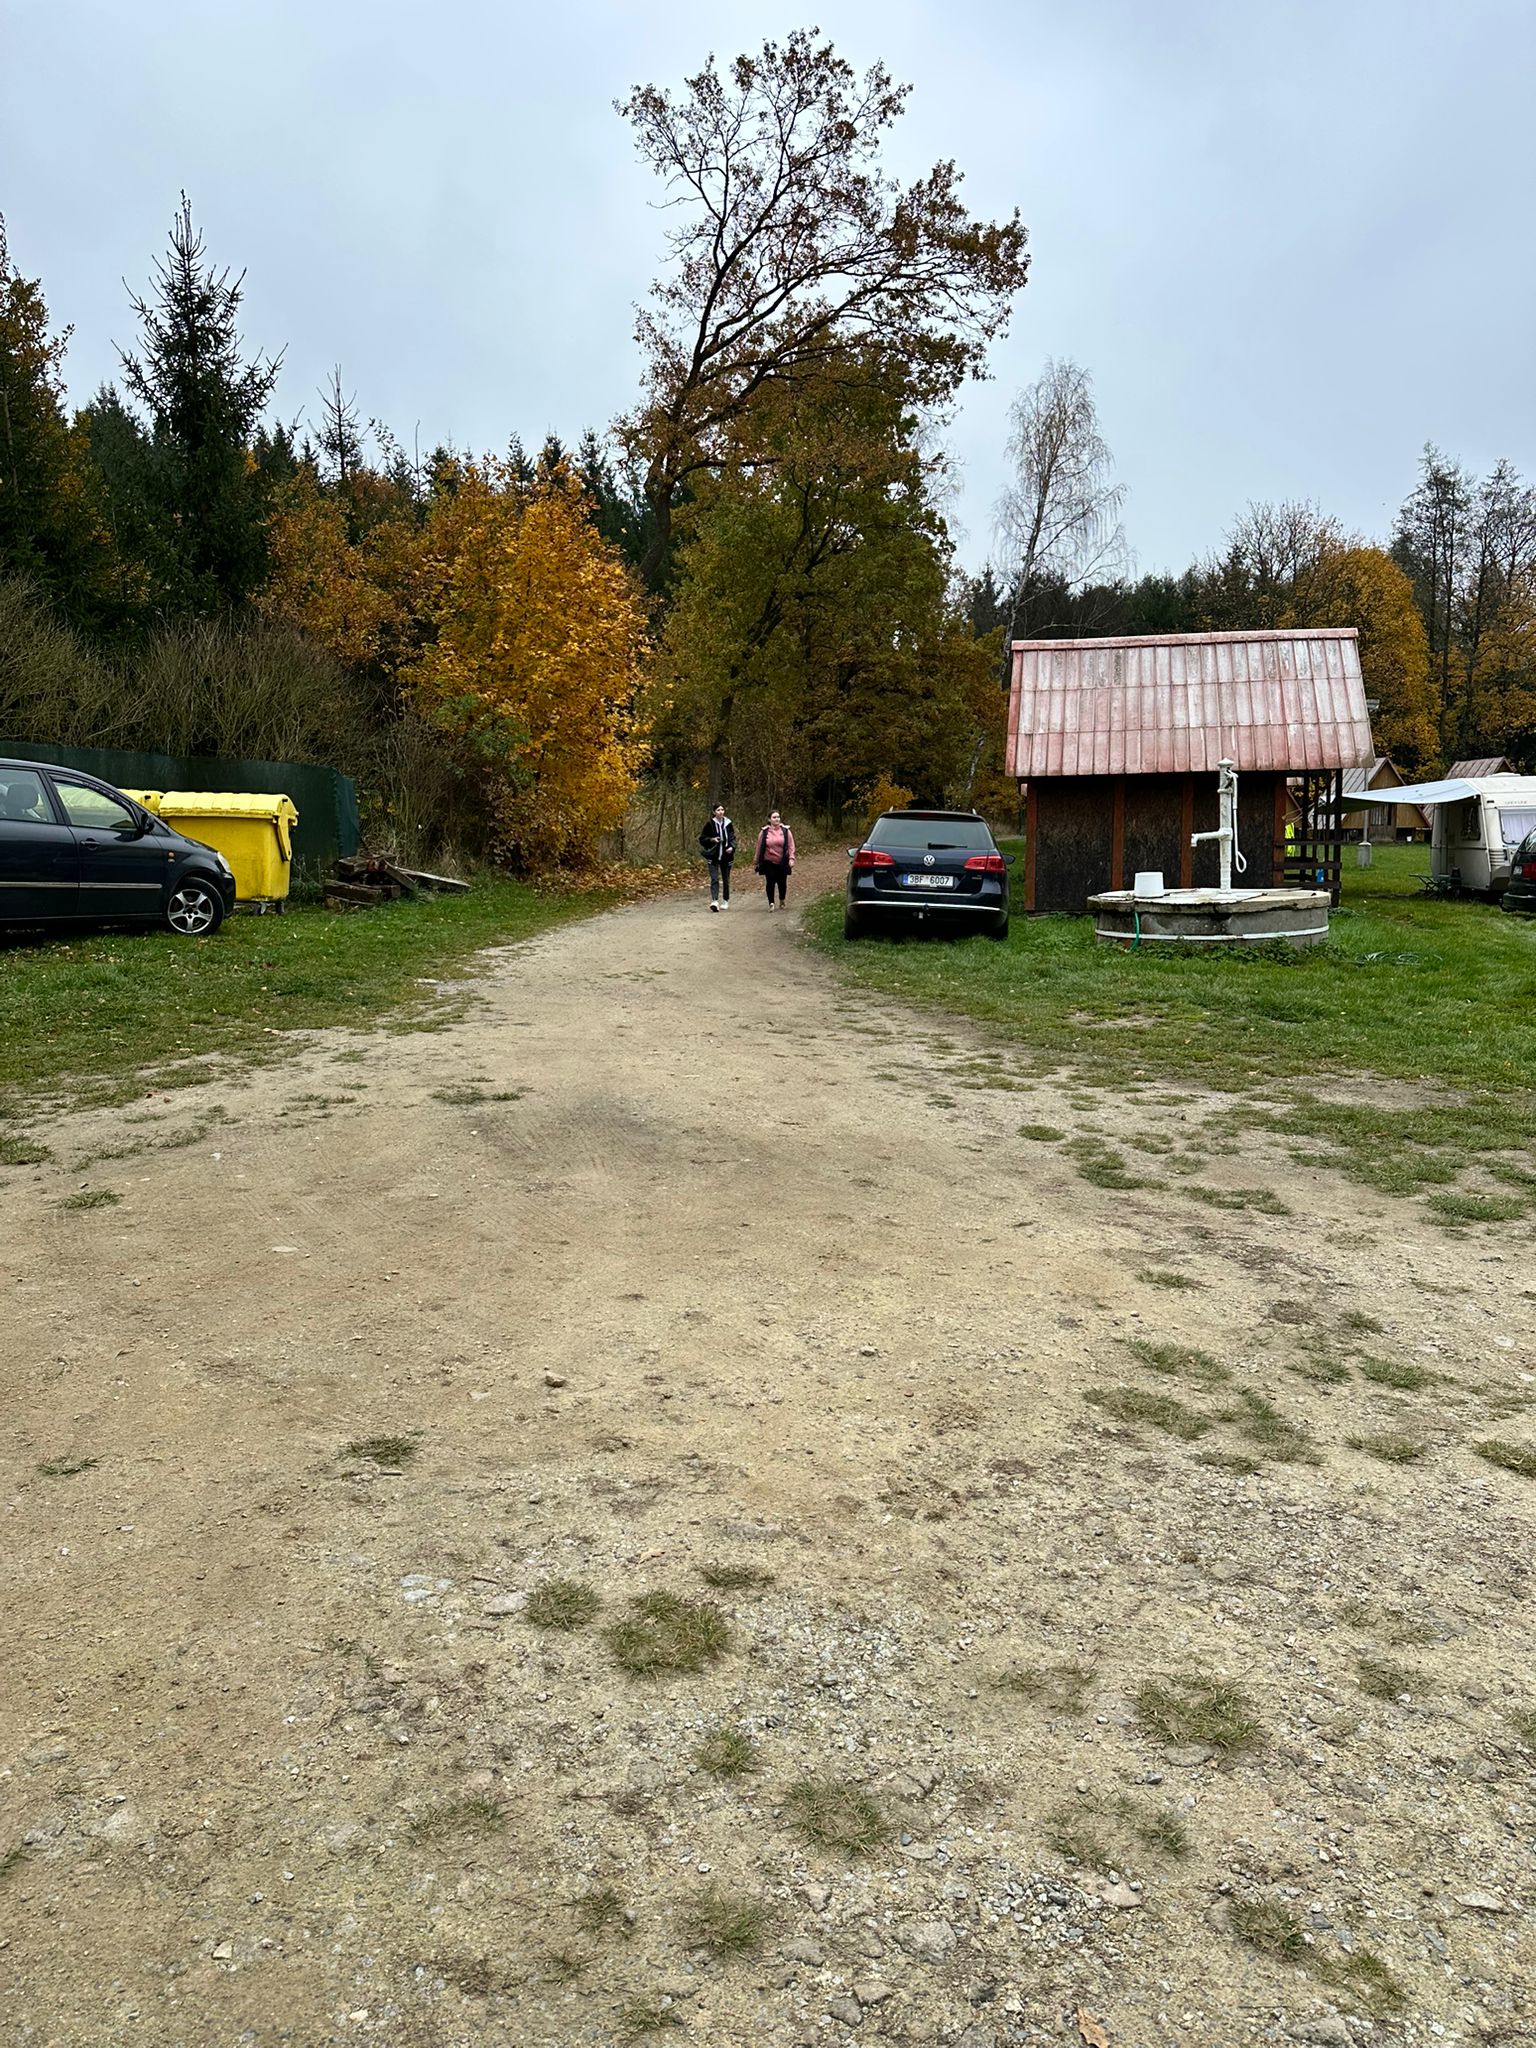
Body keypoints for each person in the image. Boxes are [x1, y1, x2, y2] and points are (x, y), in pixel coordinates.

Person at [754, 809, 796, 909]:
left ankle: (782, 899)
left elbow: (791, 846)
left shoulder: (786, 831)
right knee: (770, 882)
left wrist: (791, 858)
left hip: (782, 860)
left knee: (782, 883)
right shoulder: (764, 832)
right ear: (769, 819)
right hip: (769, 861)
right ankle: (771, 903)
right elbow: (759, 847)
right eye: (774, 817)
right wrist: (756, 860)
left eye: (778, 817)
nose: (777, 819)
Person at [698, 802, 736, 910]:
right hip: (713, 855)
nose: (721, 812)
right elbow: (702, 839)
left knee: (726, 879)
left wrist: (732, 847)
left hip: (726, 856)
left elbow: (732, 837)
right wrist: (712, 840)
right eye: (718, 810)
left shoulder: (728, 823)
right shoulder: (709, 824)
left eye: (722, 810)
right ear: (714, 812)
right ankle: (714, 901)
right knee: (714, 878)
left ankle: (725, 900)